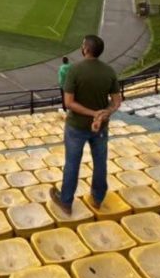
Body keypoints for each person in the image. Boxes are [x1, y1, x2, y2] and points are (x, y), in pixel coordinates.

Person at [50, 34, 122, 213]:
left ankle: (66, 201)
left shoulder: (74, 70)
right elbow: (116, 102)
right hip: (101, 127)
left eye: (83, 45)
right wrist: (105, 113)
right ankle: (97, 199)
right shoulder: (109, 71)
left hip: (77, 126)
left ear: (86, 49)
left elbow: (69, 103)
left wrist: (93, 113)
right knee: (100, 163)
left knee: (72, 163)